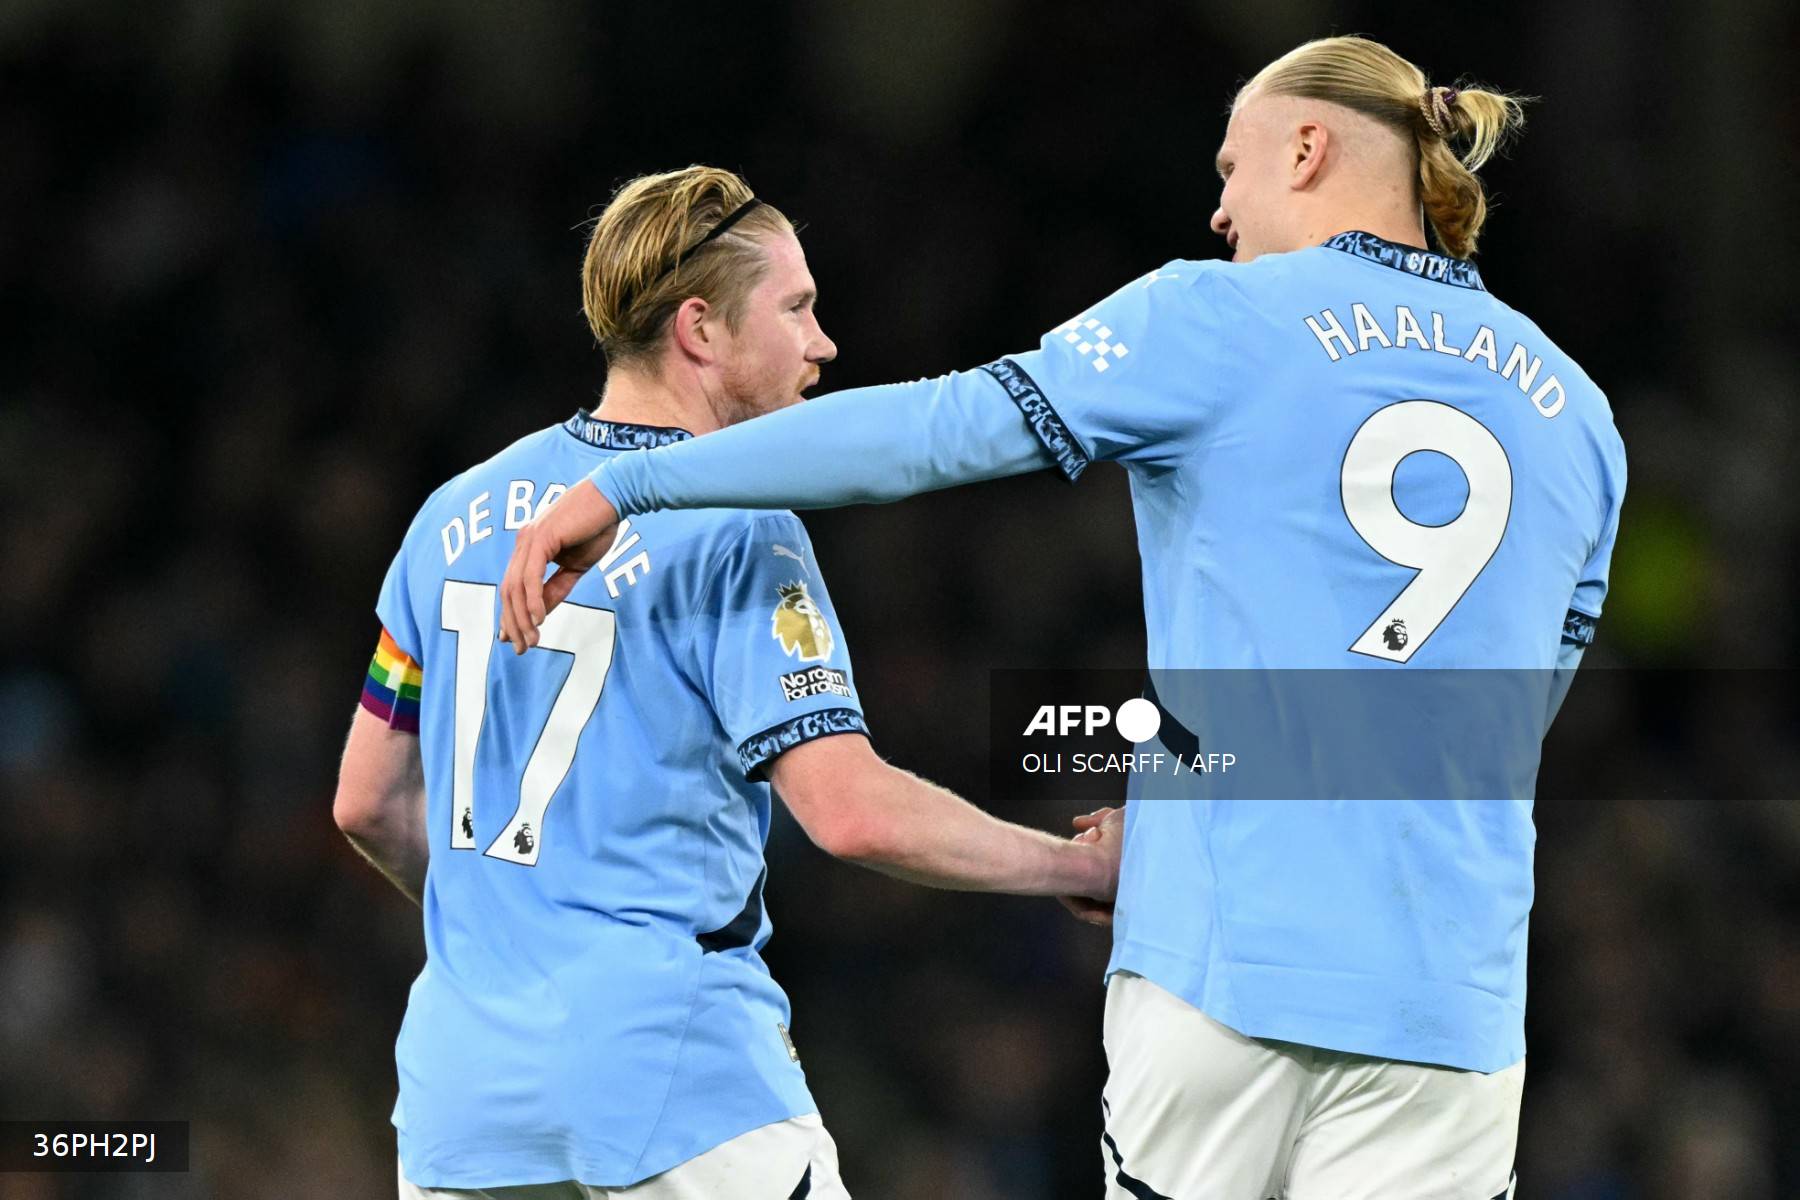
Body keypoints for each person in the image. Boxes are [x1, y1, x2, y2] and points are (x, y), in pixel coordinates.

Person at [498, 37, 1627, 1200]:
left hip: (1225, 973)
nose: (1220, 211)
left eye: (1231, 167)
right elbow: (1510, 722)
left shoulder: (1217, 317)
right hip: (1451, 1005)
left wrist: (640, 481)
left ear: (1307, 148)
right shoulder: (1580, 417)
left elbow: (933, 432)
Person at [332, 165, 1122, 1200]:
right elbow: (849, 812)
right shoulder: (741, 527)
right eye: (796, 309)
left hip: (461, 1096)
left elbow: (365, 802)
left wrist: (511, 931)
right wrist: (1075, 867)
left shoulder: (447, 519)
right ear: (700, 330)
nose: (823, 344)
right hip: (669, 1074)